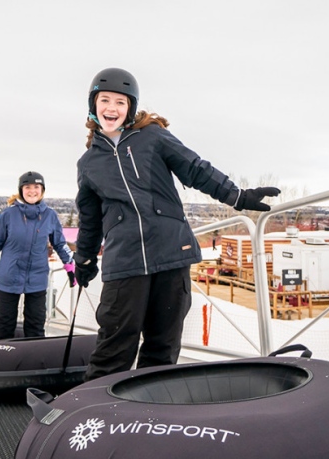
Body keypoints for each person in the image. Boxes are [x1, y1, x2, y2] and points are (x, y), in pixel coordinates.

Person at [73, 67, 279, 381]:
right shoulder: (89, 163)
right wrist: (85, 258)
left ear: (130, 107)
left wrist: (237, 196)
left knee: (162, 345)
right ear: (94, 104)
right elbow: (90, 220)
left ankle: (150, 413)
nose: (111, 108)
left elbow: (196, 169)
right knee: (115, 345)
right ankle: (93, 412)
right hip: (125, 262)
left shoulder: (152, 137)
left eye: (120, 102)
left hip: (170, 252)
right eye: (105, 100)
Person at [0, 171, 75, 340]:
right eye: (27, 187)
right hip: (10, 276)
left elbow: (60, 244)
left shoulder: (50, 216)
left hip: (37, 277)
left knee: (35, 324)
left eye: (36, 187)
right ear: (21, 190)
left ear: (42, 190)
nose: (32, 191)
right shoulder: (9, 215)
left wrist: (70, 266)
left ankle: (33, 358)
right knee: (4, 322)